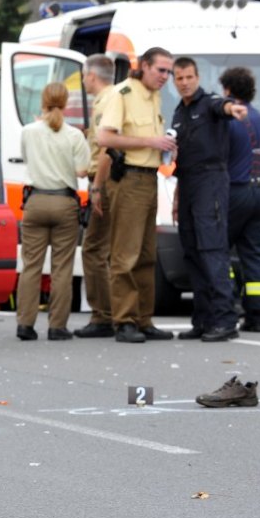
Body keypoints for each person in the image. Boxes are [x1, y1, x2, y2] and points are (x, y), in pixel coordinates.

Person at [96, 47, 178, 343]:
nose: (166, 77)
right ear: (144, 66)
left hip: (149, 178)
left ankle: (144, 319)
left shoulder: (153, 95)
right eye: (161, 70)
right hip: (129, 178)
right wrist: (149, 140)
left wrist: (164, 146)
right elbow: (104, 137)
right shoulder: (124, 93)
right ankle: (125, 320)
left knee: (146, 255)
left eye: (168, 71)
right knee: (125, 254)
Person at [170, 57, 249, 342]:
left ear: (197, 76)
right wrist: (178, 197)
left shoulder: (210, 102)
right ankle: (202, 320)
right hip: (188, 183)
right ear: (174, 80)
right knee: (191, 251)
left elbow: (223, 108)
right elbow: (181, 159)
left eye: (189, 77)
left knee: (212, 249)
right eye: (179, 78)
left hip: (211, 182)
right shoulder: (179, 112)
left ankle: (224, 319)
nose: (185, 82)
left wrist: (233, 108)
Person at [14, 83, 90, 341]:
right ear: (66, 103)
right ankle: (57, 326)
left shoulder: (28, 131)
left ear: (42, 102)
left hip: (35, 201)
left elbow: (26, 159)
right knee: (62, 268)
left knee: (31, 266)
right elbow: (82, 171)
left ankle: (25, 324)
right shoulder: (74, 135)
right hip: (64, 203)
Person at [74, 55, 117, 338]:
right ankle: (114, 312)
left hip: (105, 181)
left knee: (93, 249)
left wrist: (97, 186)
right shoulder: (114, 97)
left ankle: (103, 314)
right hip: (108, 179)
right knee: (109, 249)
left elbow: (105, 149)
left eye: (84, 76)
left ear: (91, 76)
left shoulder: (105, 102)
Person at [220, 66, 260, 332]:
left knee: (219, 249)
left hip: (235, 190)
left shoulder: (228, 118)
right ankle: (257, 315)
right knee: (255, 254)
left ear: (227, 90)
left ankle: (226, 305)